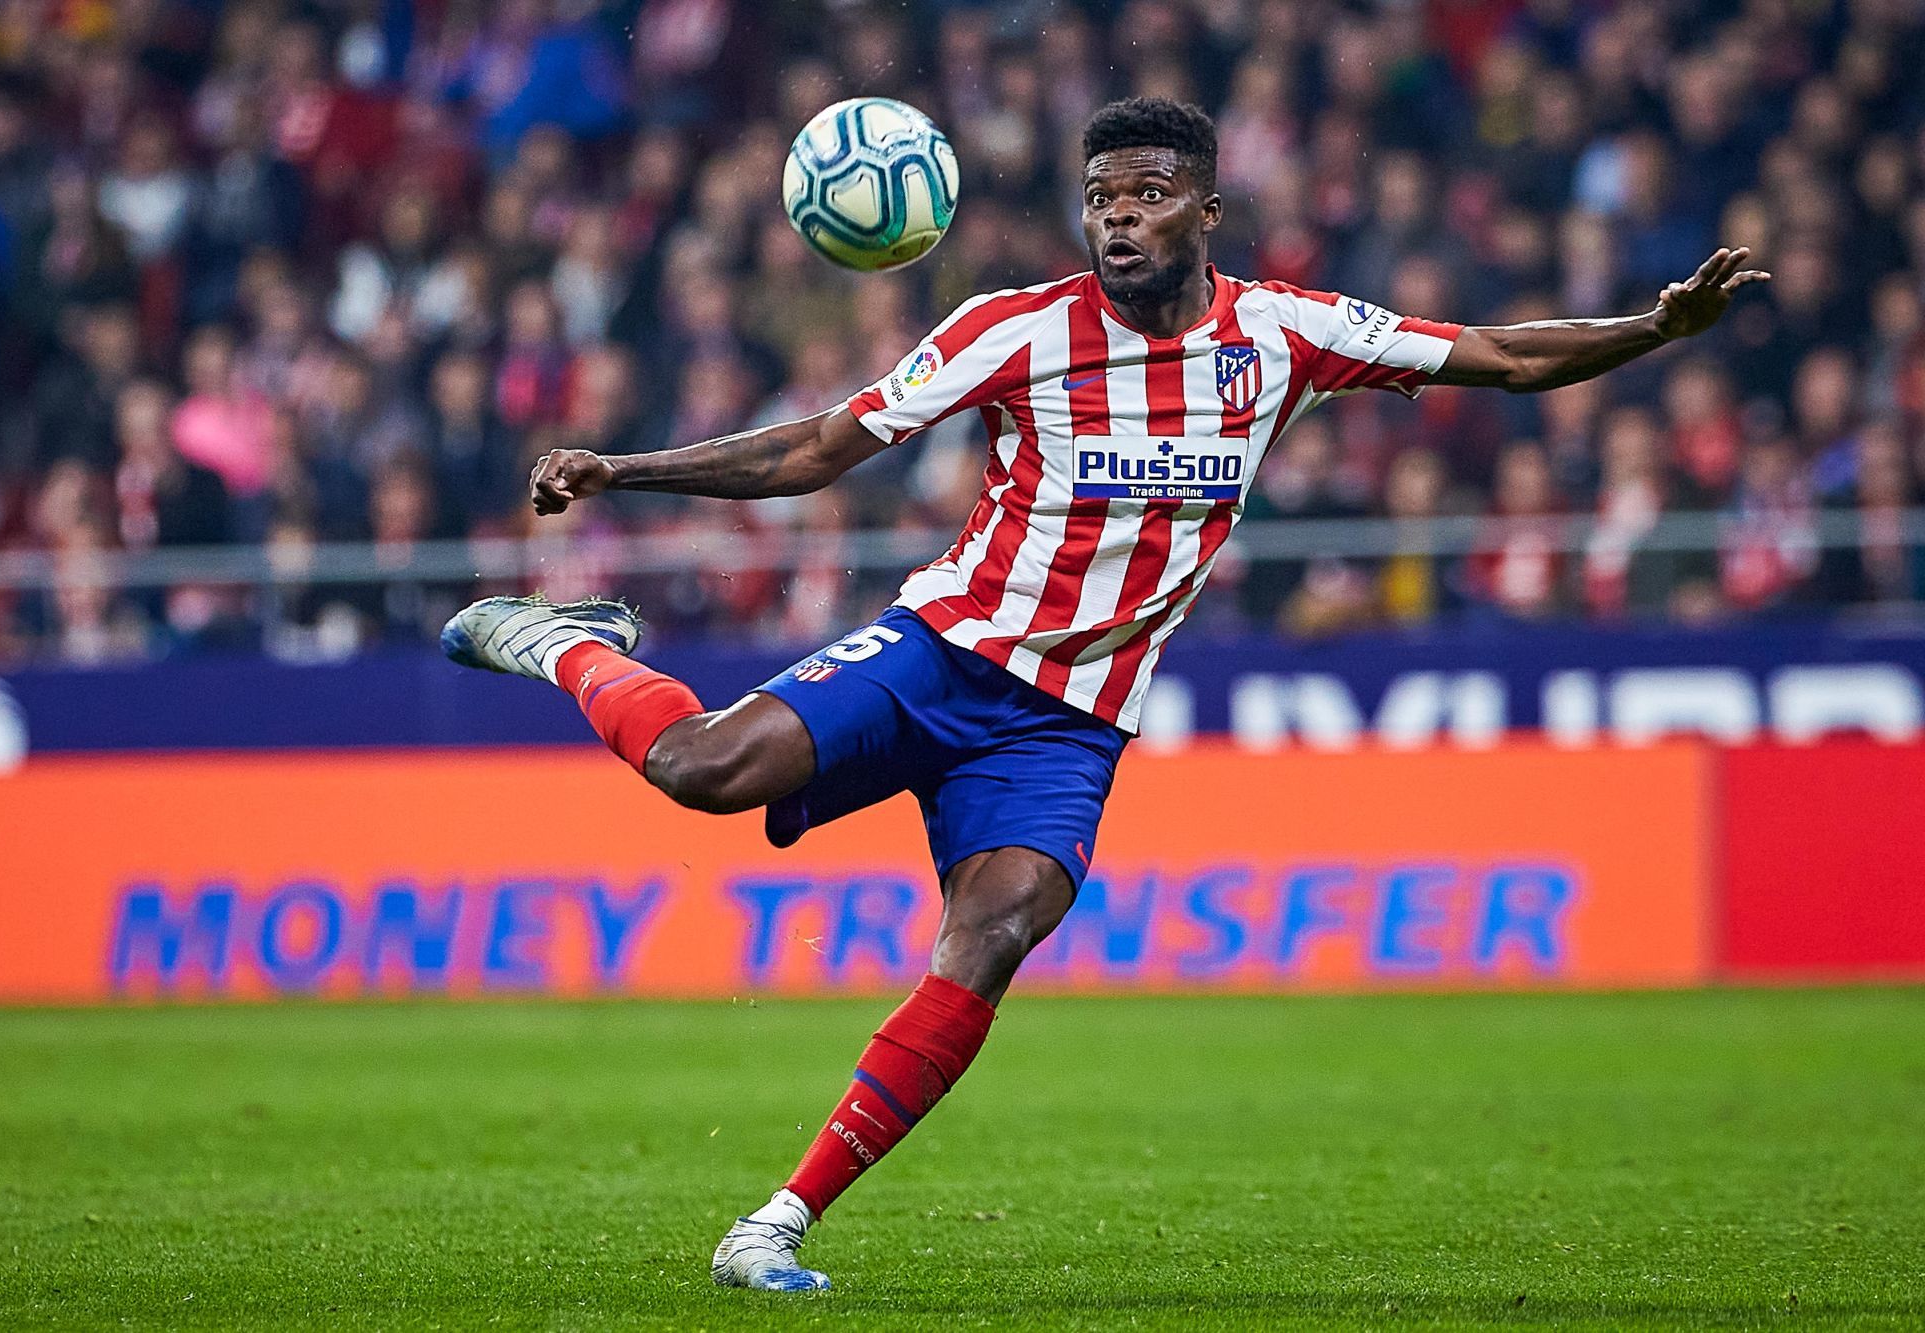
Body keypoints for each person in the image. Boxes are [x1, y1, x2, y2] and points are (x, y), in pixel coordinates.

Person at [439, 98, 1769, 1292]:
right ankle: (569, 642)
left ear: (1206, 207)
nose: (1118, 217)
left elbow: (1507, 356)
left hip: (1069, 722)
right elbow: (815, 448)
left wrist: (1654, 327)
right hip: (944, 652)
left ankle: (775, 1222)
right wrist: (622, 468)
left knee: (997, 929)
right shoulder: (1014, 330)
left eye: (1144, 193)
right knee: (701, 773)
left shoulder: (1285, 332)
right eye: (1100, 198)